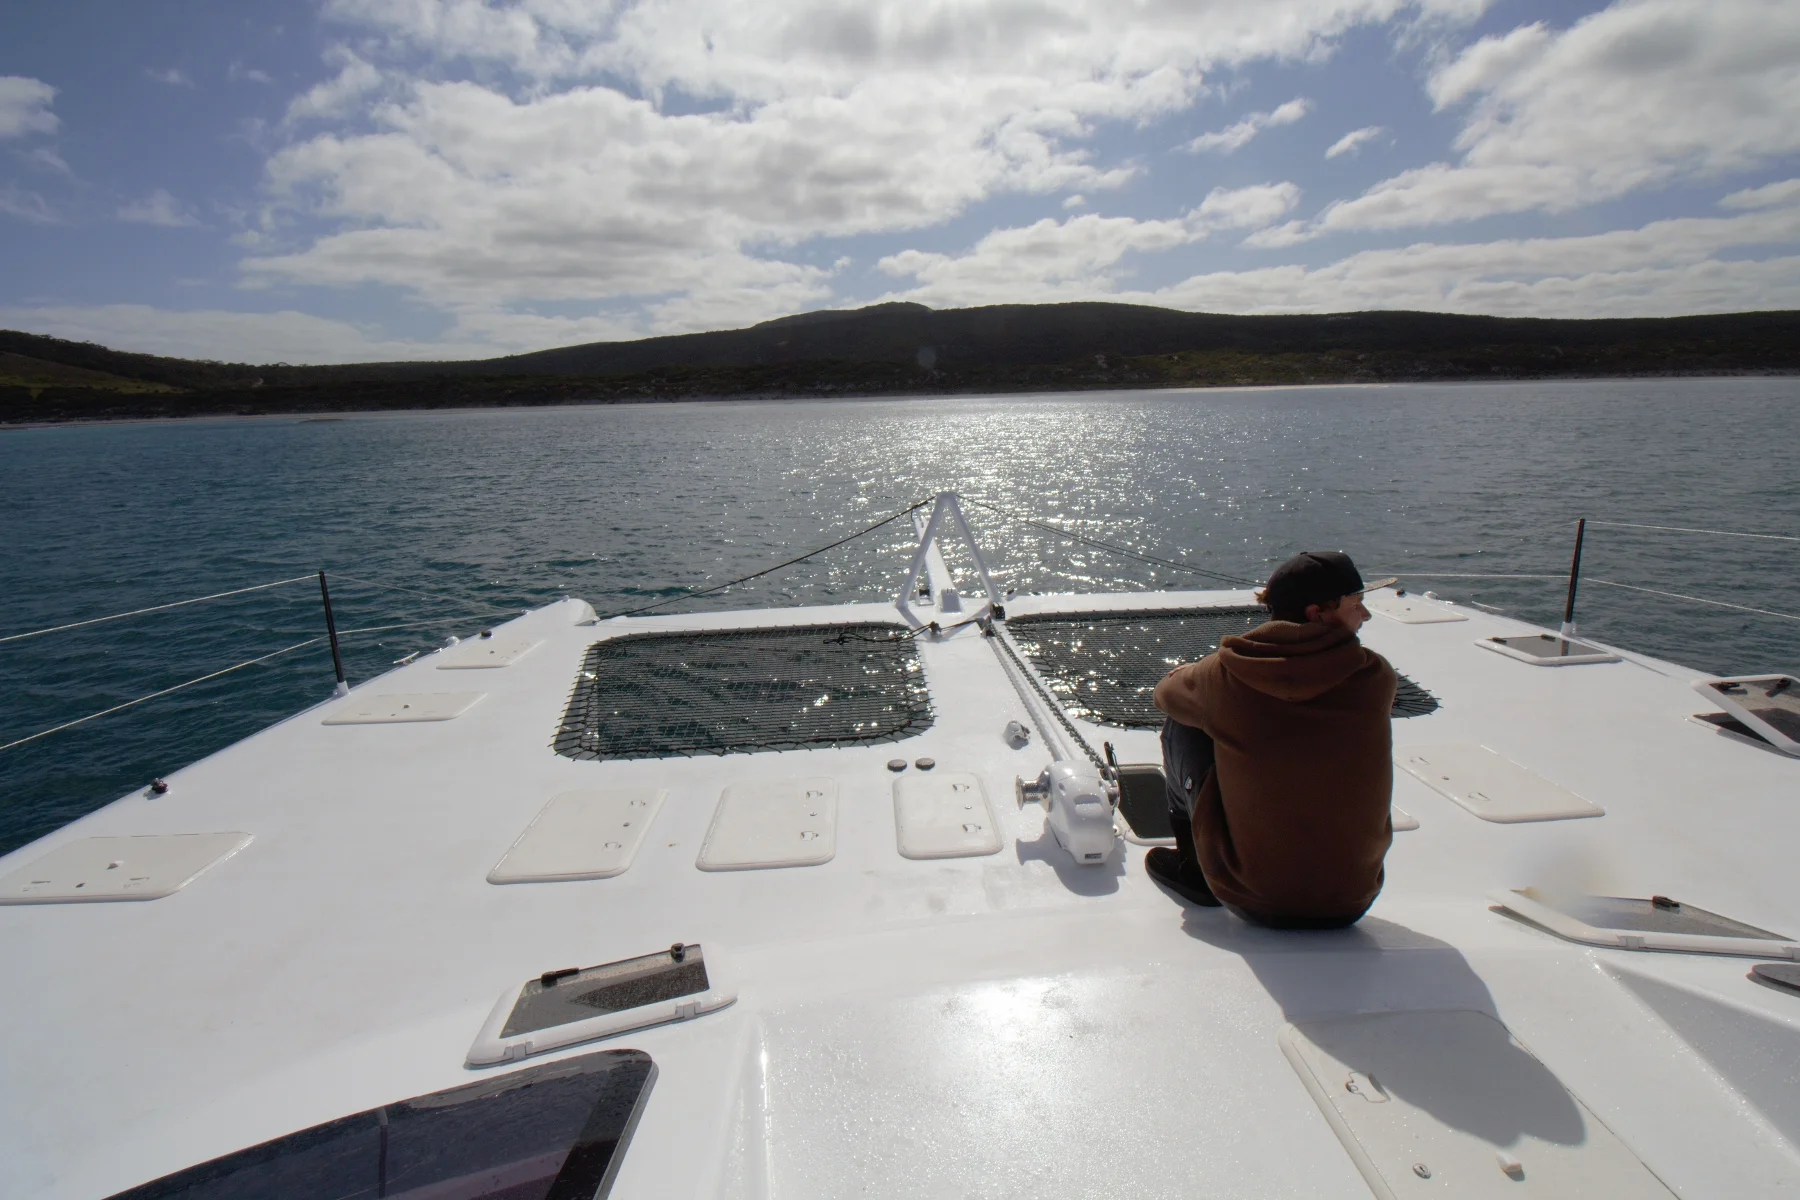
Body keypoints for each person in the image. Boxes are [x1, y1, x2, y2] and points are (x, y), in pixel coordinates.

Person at [1147, 550, 1399, 928]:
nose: (1365, 615)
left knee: (1183, 723)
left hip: (1250, 898)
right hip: (1352, 900)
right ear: (1317, 614)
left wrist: (1194, 674)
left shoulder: (1224, 675)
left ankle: (1194, 870)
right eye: (1357, 604)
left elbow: (1164, 695)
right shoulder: (1376, 677)